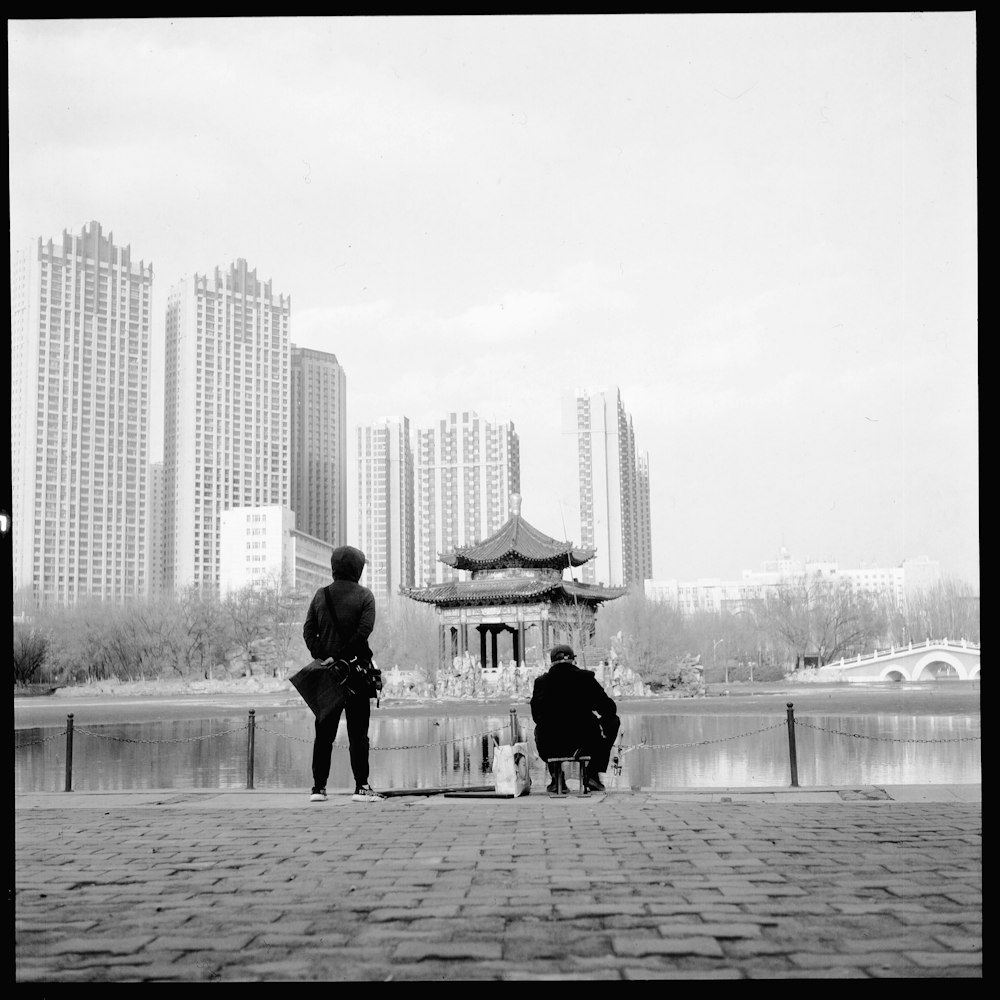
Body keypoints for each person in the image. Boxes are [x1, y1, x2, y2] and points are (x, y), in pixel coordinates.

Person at [302, 545, 384, 803]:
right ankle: (361, 786)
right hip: (356, 674)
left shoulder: (320, 595)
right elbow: (363, 632)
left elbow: (308, 631)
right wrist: (342, 657)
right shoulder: (365, 596)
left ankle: (318, 788)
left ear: (334, 566)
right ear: (357, 568)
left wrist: (324, 656)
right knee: (358, 734)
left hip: (327, 675)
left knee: (323, 733)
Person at [530, 644, 620, 792]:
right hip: (583, 743)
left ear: (551, 662)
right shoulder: (585, 678)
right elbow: (609, 709)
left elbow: (536, 716)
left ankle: (556, 777)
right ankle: (592, 774)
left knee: (540, 728)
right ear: (573, 660)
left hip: (551, 744)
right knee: (613, 721)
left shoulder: (541, 682)